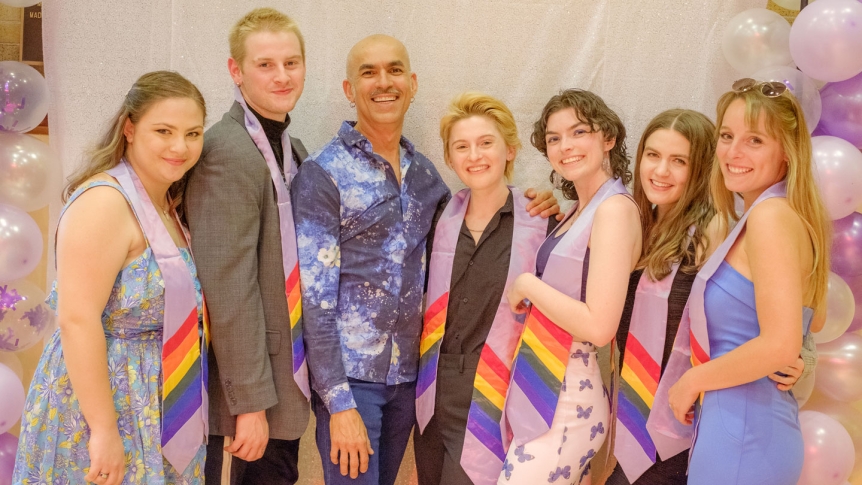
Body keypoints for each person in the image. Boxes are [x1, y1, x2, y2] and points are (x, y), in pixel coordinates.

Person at [291, 35, 558, 485]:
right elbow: (313, 301)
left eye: (394, 70)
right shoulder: (324, 172)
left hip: (412, 385)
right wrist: (338, 404)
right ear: (348, 88)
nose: (383, 82)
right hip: (353, 382)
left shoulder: (424, 176)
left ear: (412, 83)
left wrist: (540, 201)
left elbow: (473, 230)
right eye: (368, 72)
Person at [13, 71, 208, 485]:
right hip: (103, 401)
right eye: (164, 131)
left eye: (193, 133)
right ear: (130, 129)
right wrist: (102, 430)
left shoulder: (166, 202)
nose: (180, 146)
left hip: (161, 399)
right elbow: (77, 319)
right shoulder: (104, 202)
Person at [604, 109, 814, 485]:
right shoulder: (635, 222)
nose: (661, 171)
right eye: (652, 155)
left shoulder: (712, 230)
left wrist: (804, 355)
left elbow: (747, 310)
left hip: (680, 425)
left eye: (679, 161)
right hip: (630, 415)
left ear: (701, 168)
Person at [666, 79, 830, 485]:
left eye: (754, 140)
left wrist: (691, 381)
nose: (732, 152)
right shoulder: (786, 216)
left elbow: (781, 343)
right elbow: (814, 321)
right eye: (726, 135)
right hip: (747, 431)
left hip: (742, 438)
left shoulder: (770, 218)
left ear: (787, 154)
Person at [184, 8, 310, 485]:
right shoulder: (226, 151)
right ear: (235, 70)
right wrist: (250, 403)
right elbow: (228, 286)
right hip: (251, 388)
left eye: (291, 62)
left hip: (281, 372)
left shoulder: (291, 147)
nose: (282, 76)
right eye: (265, 64)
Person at [413, 92, 554, 485]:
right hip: (433, 390)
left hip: (496, 392)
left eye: (486, 143)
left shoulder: (541, 223)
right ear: (450, 158)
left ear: (510, 149)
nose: (474, 155)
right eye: (462, 146)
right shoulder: (439, 216)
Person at [504, 89, 642, 484]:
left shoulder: (614, 209)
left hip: (568, 397)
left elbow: (600, 325)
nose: (565, 146)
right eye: (553, 138)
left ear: (608, 138)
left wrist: (528, 284)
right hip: (547, 386)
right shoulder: (580, 210)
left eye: (578, 132)